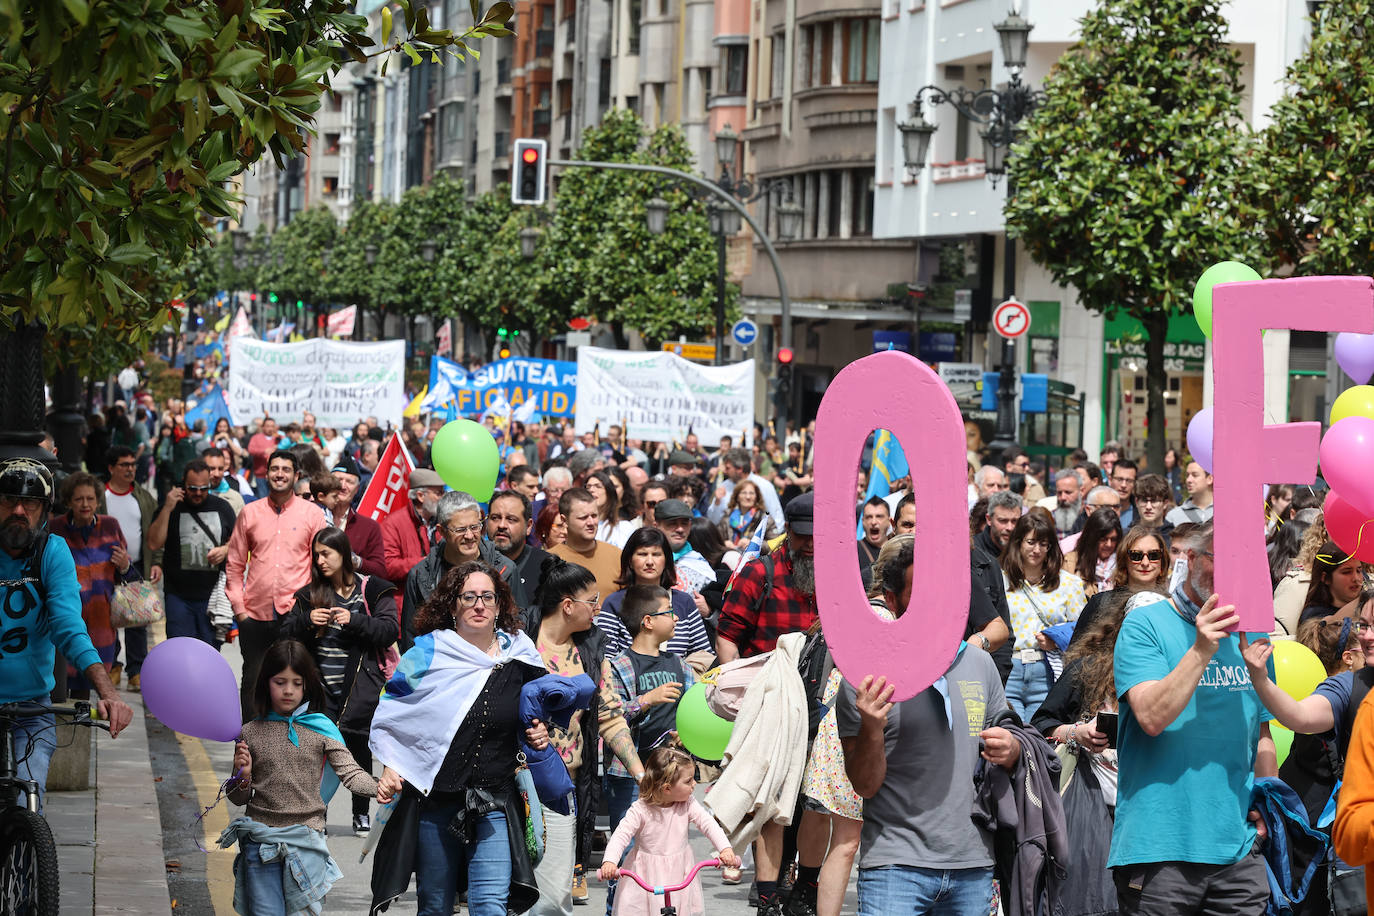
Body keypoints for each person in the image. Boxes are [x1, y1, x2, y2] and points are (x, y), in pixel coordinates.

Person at [836, 538, 1024, 916]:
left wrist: (1012, 748)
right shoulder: (865, 678)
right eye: (919, 593)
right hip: (895, 869)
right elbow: (864, 785)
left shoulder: (979, 664)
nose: (935, 602)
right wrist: (872, 728)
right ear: (892, 601)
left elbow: (1008, 742)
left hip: (973, 868)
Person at [1109, 521, 1274, 915]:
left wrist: (1270, 805)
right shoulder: (1145, 625)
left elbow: (1262, 734)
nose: (1232, 576)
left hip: (1237, 851)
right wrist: (1201, 649)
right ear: (1193, 558)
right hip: (1159, 851)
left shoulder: (1252, 637)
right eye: (1222, 561)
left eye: (1243, 564)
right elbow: (1150, 716)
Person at [369, 562, 549, 916]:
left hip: (496, 801)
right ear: (452, 606)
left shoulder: (522, 656)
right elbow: (392, 713)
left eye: (487, 597)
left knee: (489, 905)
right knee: (435, 906)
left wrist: (540, 731)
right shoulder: (425, 654)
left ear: (500, 606)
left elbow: (539, 710)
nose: (479, 605)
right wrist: (391, 765)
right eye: (469, 597)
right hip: (435, 802)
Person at [1032, 530, 1172, 916]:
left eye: (1154, 556)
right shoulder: (1089, 668)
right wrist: (1078, 733)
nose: (1145, 563)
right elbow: (1041, 722)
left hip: (1157, 812)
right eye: (1136, 555)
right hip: (1093, 806)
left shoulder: (1182, 671)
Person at [0, 458, 132, 809]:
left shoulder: (51, 551)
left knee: (29, 800)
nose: (17, 510)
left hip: (30, 707)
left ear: (43, 510)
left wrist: (108, 692)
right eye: (7, 500)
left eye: (29, 502)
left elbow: (69, 627)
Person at [223, 639, 385, 913]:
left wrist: (382, 787)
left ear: (307, 685)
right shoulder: (249, 732)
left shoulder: (320, 729)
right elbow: (237, 798)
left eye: (297, 683)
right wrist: (243, 775)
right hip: (260, 842)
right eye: (280, 682)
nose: (288, 691)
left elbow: (351, 773)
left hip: (307, 843)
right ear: (265, 683)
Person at [715, 492, 818, 915]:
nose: (811, 544)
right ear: (788, 532)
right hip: (770, 700)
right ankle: (769, 895)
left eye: (818, 536)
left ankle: (807, 888)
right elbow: (727, 635)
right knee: (770, 800)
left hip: (820, 702)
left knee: (813, 800)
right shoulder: (761, 571)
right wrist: (740, 693)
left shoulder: (843, 573)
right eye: (803, 536)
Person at [525, 557, 646, 913]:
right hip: (516, 785)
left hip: (564, 788)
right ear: (567, 606)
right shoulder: (519, 643)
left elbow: (610, 715)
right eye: (592, 601)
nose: (598, 608)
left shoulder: (591, 648)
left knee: (555, 895)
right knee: (513, 889)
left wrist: (641, 773)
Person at [280, 527, 398, 836]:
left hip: (360, 687)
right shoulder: (309, 595)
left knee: (358, 748)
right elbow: (285, 635)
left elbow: (388, 631)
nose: (320, 560)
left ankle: (361, 812)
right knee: (317, 752)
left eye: (326, 554)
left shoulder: (373, 591)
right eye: (315, 555)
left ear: (343, 555)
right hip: (319, 688)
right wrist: (307, 620)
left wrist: (354, 619)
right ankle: (316, 812)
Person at [602, 585, 700, 910]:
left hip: (671, 778)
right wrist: (646, 700)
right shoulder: (619, 665)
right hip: (629, 779)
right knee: (625, 855)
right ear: (647, 621)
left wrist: (687, 735)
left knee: (668, 855)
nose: (675, 618)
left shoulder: (680, 665)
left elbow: (696, 710)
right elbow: (609, 715)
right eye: (668, 612)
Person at [225, 449, 329, 720]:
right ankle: (248, 750)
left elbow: (321, 565)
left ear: (296, 476)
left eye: (285, 469)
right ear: (267, 472)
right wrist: (240, 612)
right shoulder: (250, 513)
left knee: (294, 686)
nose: (279, 474)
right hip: (255, 615)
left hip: (296, 615)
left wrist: (314, 608)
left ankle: (290, 751)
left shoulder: (312, 514)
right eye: (274, 469)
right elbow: (235, 564)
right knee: (253, 684)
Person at [599, 743, 739, 916]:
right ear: (667, 788)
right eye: (688, 781)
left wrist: (725, 849)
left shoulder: (688, 804)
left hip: (680, 871)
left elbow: (707, 823)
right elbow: (621, 835)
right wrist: (610, 861)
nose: (695, 784)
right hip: (645, 873)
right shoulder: (641, 809)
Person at [47, 471, 140, 696]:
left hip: (101, 623)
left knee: (88, 685)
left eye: (90, 499)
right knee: (59, 683)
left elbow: (128, 576)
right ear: (68, 501)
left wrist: (124, 566)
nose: (85, 504)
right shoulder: (55, 529)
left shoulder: (110, 526)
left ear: (98, 501)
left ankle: (82, 729)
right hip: (66, 619)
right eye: (78, 499)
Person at [403, 490, 520, 646]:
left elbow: (518, 627)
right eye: (460, 530)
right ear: (441, 531)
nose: (470, 536)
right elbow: (411, 638)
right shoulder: (421, 575)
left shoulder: (504, 570)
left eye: (475, 527)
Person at [1002, 509, 1087, 721]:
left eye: (1043, 544)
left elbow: (1084, 631)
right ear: (1019, 542)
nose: (1037, 550)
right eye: (1031, 542)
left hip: (1048, 671)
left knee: (1039, 738)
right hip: (1009, 669)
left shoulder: (1069, 584)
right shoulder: (1000, 580)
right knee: (1012, 734)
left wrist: (1057, 640)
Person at [147, 459, 236, 646]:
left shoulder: (222, 507)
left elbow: (239, 543)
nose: (198, 493)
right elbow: (154, 543)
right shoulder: (171, 507)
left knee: (209, 654)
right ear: (183, 484)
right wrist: (168, 508)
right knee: (179, 653)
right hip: (178, 597)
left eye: (204, 488)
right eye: (192, 488)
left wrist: (226, 550)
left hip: (212, 598)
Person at [595, 527, 714, 660]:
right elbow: (604, 657)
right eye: (642, 554)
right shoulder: (614, 602)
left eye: (656, 554)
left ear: (666, 560)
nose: (650, 562)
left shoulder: (684, 602)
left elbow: (705, 656)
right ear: (630, 560)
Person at [99, 445, 158, 690]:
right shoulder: (101, 496)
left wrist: (156, 562)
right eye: (124, 465)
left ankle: (137, 671)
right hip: (103, 567)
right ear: (111, 468)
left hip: (136, 565)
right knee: (106, 618)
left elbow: (154, 534)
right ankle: (112, 666)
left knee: (137, 619)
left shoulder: (143, 498)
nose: (130, 469)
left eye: (133, 464)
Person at [548, 488, 624, 603]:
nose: (591, 523)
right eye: (583, 517)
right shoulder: (549, 559)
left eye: (594, 516)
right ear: (564, 520)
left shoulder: (617, 556)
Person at [325, 453, 387, 577]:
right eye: (338, 480)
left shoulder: (368, 526)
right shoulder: (314, 516)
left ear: (357, 489)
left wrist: (357, 562)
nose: (343, 486)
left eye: (349, 482)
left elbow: (380, 570)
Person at [381, 467, 444, 586]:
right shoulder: (393, 523)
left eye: (443, 492)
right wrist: (425, 562)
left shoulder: (442, 520)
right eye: (438, 493)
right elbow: (387, 566)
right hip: (407, 596)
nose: (442, 497)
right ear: (421, 496)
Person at [488, 490, 551, 607]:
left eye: (511, 519)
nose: (502, 525)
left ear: (528, 526)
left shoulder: (547, 567)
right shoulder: (473, 563)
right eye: (495, 518)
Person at [1296, 542, 1363, 626]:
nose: (1356, 578)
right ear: (1325, 578)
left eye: (1359, 571)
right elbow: (1328, 626)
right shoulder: (1313, 615)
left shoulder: (1366, 609)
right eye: (1346, 572)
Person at [588, 470, 636, 549]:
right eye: (588, 487)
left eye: (598, 486)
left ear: (609, 492)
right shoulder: (579, 526)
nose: (591, 490)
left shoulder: (625, 528)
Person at [1163, 461, 1214, 528]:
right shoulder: (1173, 516)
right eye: (1187, 475)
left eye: (1195, 475)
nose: (1188, 480)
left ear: (1209, 479)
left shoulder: (1228, 512)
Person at [974, 490, 1022, 558]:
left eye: (1015, 521)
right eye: (1003, 521)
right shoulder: (972, 550)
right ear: (989, 519)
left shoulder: (1024, 549)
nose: (1010, 527)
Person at [855, 495, 890, 588]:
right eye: (869, 517)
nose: (873, 522)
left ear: (889, 521)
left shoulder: (898, 549)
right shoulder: (854, 551)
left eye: (879, 516)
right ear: (863, 522)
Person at [727, 479, 771, 549]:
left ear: (757, 497)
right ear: (737, 497)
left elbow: (774, 544)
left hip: (754, 558)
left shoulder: (765, 519)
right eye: (744, 493)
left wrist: (753, 544)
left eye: (751, 493)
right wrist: (724, 543)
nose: (748, 497)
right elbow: (715, 540)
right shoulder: (727, 516)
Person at [247, 417, 280, 499]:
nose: (270, 428)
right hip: (260, 475)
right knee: (263, 498)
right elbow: (250, 449)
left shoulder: (278, 438)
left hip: (276, 475)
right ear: (263, 427)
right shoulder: (256, 437)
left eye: (272, 426)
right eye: (268, 426)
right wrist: (264, 451)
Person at [1109, 458, 1139, 527]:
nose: (1123, 485)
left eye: (1129, 481)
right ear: (1110, 480)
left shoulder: (1141, 514)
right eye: (1119, 479)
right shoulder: (1096, 509)